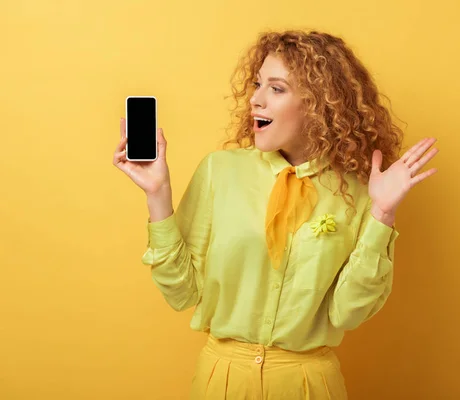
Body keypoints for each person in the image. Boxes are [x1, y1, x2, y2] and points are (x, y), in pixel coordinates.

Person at [113, 30, 439, 399]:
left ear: (318, 104)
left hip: (308, 385)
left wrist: (382, 214)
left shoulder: (362, 190)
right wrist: (158, 195)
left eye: (277, 89)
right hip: (222, 381)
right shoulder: (220, 171)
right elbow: (182, 293)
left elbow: (348, 313)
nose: (255, 100)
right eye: (257, 85)